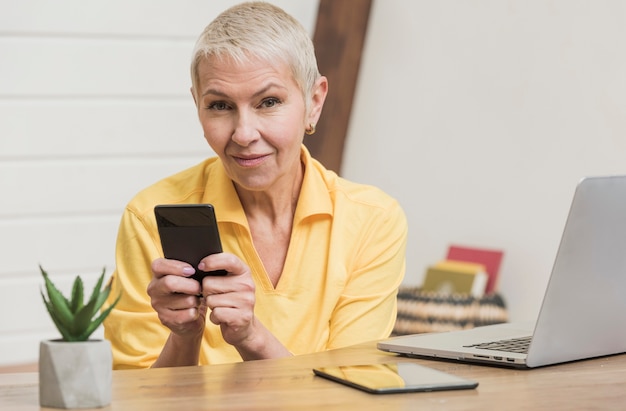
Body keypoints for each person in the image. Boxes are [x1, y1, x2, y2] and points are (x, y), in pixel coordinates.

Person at [103, 1, 407, 369]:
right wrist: (184, 337)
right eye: (219, 106)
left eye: (268, 102)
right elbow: (136, 402)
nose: (244, 134)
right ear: (197, 105)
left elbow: (355, 393)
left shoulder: (371, 220)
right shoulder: (148, 217)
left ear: (314, 102)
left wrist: (251, 336)